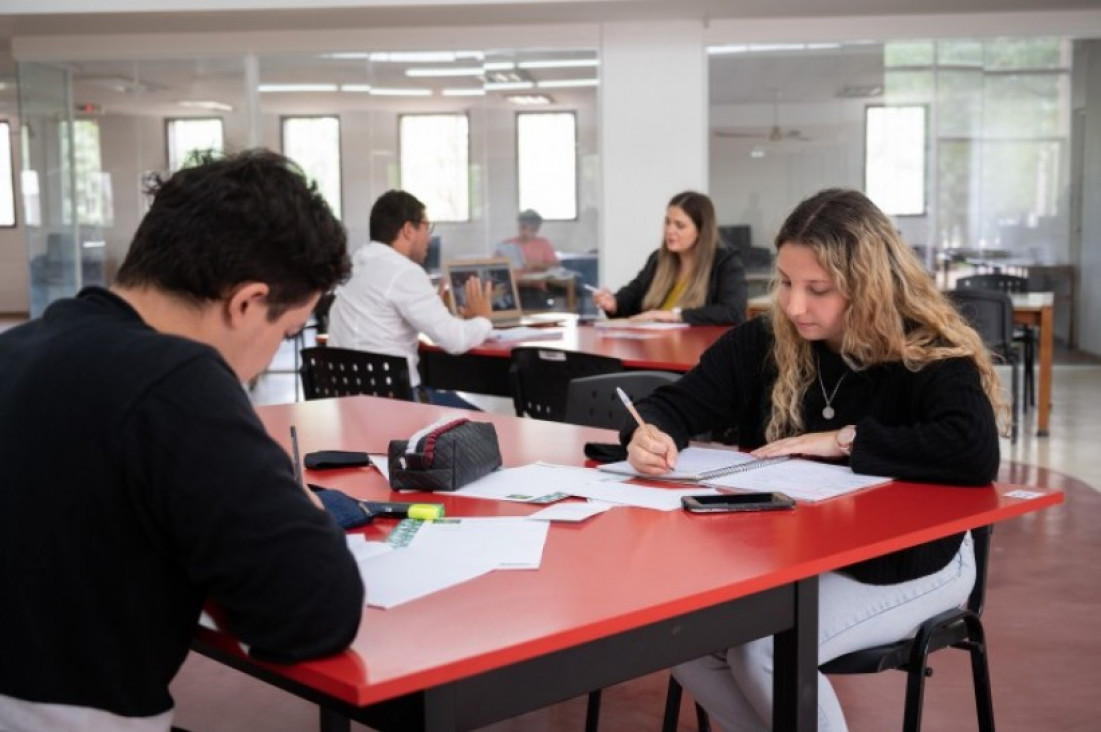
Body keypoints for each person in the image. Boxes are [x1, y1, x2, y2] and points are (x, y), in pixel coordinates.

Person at [0, 149, 364, 731]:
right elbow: (311, 612)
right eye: (287, 331)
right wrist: (301, 503)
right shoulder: (177, 381)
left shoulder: (19, 348)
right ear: (246, 303)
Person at [620, 188, 1005, 732]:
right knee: (682, 635)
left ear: (868, 285)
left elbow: (973, 449)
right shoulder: (765, 341)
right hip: (799, 561)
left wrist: (844, 440)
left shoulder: (924, 349)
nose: (794, 306)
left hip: (914, 562)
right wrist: (650, 432)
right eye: (784, 282)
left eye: (818, 290)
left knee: (766, 651)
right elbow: (673, 405)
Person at [327, 189, 493, 407]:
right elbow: (455, 340)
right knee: (491, 429)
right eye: (426, 227)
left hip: (346, 405)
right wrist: (483, 319)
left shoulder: (355, 264)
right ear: (407, 229)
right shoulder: (404, 271)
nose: (429, 237)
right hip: (396, 406)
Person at [592, 191, 747, 325]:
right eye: (667, 222)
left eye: (680, 225)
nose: (669, 230)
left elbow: (732, 311)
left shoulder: (725, 263)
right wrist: (614, 303)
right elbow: (633, 296)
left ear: (701, 231)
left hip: (697, 352)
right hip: (654, 348)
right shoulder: (658, 260)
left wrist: (674, 316)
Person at [495, 208, 560, 274]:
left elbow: (556, 265)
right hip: (512, 283)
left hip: (535, 283)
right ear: (518, 227)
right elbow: (494, 266)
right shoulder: (506, 244)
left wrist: (536, 265)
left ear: (537, 230)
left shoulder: (543, 244)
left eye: (532, 229)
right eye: (523, 227)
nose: (526, 232)